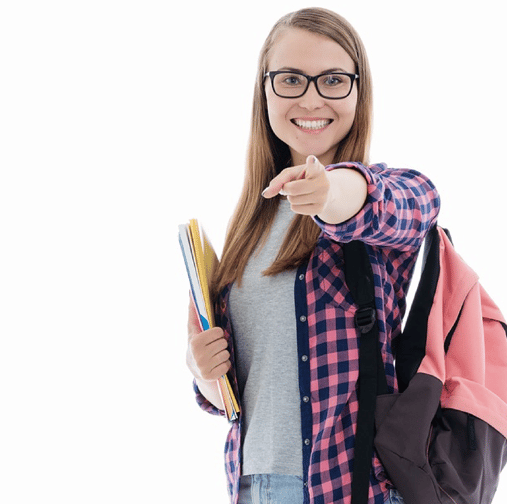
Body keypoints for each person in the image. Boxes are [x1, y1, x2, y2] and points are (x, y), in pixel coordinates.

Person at [186, 7, 440, 504]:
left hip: (347, 489)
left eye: (332, 80)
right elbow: (241, 396)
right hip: (252, 484)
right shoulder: (249, 226)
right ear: (265, 91)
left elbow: (413, 204)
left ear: (357, 92)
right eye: (291, 79)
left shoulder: (384, 198)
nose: (311, 98)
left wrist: (331, 191)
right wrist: (206, 375)